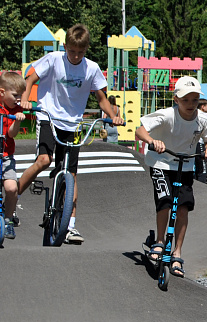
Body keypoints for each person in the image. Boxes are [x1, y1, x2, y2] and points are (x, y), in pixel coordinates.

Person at [18, 24, 124, 244]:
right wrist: (26, 100)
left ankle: (71, 227)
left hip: (72, 123)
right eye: (72, 51)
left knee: (71, 174)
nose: (75, 56)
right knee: (44, 160)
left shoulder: (91, 68)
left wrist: (114, 115)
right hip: (48, 116)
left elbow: (101, 98)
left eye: (81, 52)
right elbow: (30, 78)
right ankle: (12, 199)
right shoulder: (54, 59)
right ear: (65, 46)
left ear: (86, 50)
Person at [134, 76, 207, 278]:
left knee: (183, 207)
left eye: (195, 100)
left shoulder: (203, 119)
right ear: (176, 99)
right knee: (165, 201)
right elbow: (139, 130)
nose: (190, 104)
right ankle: (160, 242)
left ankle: (177, 252)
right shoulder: (166, 115)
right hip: (161, 163)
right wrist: (153, 141)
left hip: (185, 165)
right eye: (185, 100)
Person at [0, 72, 26, 239]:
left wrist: (17, 120)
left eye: (20, 95)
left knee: (11, 188)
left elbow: (12, 134)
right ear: (2, 92)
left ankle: (8, 219)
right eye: (15, 95)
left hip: (6, 155)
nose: (18, 98)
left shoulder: (16, 109)